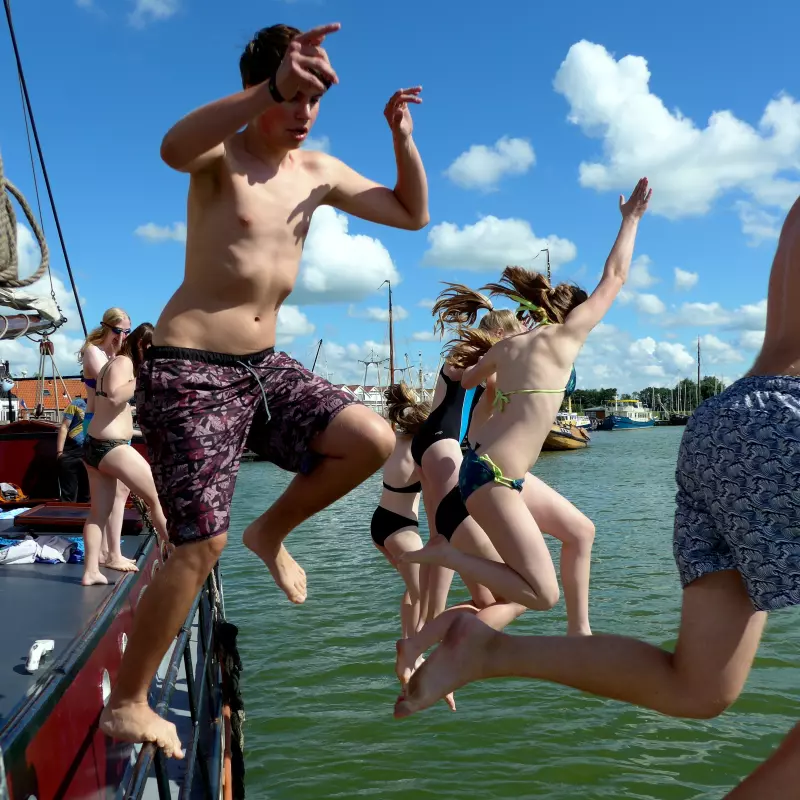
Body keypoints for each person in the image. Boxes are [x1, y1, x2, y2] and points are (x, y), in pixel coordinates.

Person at [100, 21, 428, 757]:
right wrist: (270, 89)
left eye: (316, 97)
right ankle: (126, 701)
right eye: (295, 95)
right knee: (198, 544)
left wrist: (401, 136)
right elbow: (170, 148)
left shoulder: (318, 170)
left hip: (264, 364)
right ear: (262, 90)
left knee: (370, 439)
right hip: (190, 366)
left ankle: (270, 532)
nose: (308, 110)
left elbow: (412, 215)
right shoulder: (222, 153)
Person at [395, 177, 653, 718]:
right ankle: (450, 558)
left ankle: (579, 635)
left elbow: (465, 383)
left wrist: (488, 374)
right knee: (540, 593)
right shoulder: (565, 338)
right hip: (490, 478)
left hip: (492, 472)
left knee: (582, 531)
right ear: (572, 318)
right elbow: (617, 276)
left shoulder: (510, 347)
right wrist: (630, 218)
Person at [406, 286, 597, 637]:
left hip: (442, 449)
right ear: (499, 334)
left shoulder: (481, 360)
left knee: (481, 590)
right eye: (515, 334)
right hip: (457, 453)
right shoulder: (491, 361)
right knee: (522, 593)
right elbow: (481, 407)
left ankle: (419, 643)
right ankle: (429, 645)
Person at [81, 324, 170, 586]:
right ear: (143, 346)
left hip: (95, 446)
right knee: (157, 499)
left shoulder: (109, 365)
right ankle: (179, 558)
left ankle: (90, 572)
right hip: (112, 447)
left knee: (98, 513)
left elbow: (101, 406)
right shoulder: (124, 363)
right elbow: (116, 396)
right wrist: (143, 376)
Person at [371, 383, 430, 638]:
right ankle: (413, 652)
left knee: (414, 588)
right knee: (424, 595)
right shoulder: (420, 451)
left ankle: (407, 642)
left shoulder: (394, 441)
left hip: (380, 522)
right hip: (402, 529)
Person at [79, 307, 134, 570]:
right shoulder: (94, 352)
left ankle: (109, 550)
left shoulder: (116, 356)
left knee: (120, 491)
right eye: (118, 331)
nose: (122, 336)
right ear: (107, 327)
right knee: (107, 494)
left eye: (127, 332)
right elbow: (112, 387)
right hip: (101, 427)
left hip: (118, 428)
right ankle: (111, 553)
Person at [56, 396, 90, 502]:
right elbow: (64, 427)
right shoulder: (77, 404)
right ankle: (68, 517)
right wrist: (60, 453)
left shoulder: (103, 405)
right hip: (71, 452)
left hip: (90, 453)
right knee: (69, 495)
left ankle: (86, 518)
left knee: (88, 494)